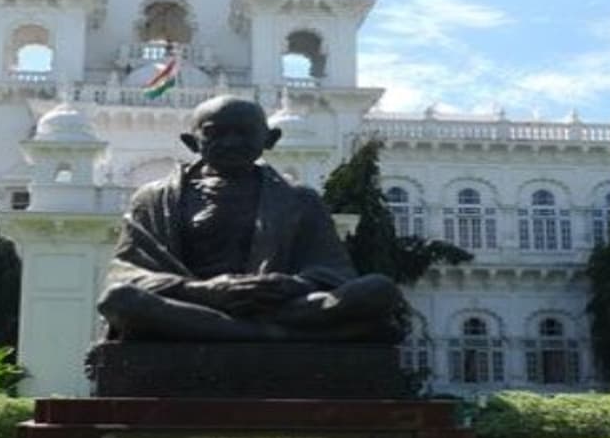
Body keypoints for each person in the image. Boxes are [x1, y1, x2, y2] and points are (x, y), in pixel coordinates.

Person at [97, 95, 405, 342]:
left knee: (379, 290)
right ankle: (268, 335)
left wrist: (290, 285)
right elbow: (127, 274)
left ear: (269, 139)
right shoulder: (154, 199)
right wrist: (204, 291)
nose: (231, 142)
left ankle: (233, 332)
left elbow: (332, 270)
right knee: (119, 300)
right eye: (216, 133)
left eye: (244, 133)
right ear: (191, 142)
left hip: (278, 305)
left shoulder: (300, 199)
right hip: (195, 303)